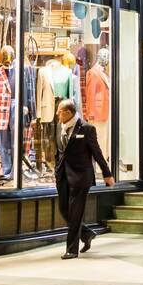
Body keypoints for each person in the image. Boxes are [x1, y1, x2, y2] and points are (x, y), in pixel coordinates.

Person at [54, 98, 114, 260]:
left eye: (59, 111)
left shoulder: (87, 129)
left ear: (68, 112)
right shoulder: (59, 127)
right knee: (63, 209)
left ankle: (72, 249)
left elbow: (97, 153)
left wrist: (107, 174)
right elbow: (59, 152)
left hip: (81, 177)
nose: (57, 114)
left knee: (75, 212)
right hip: (63, 176)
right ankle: (86, 233)